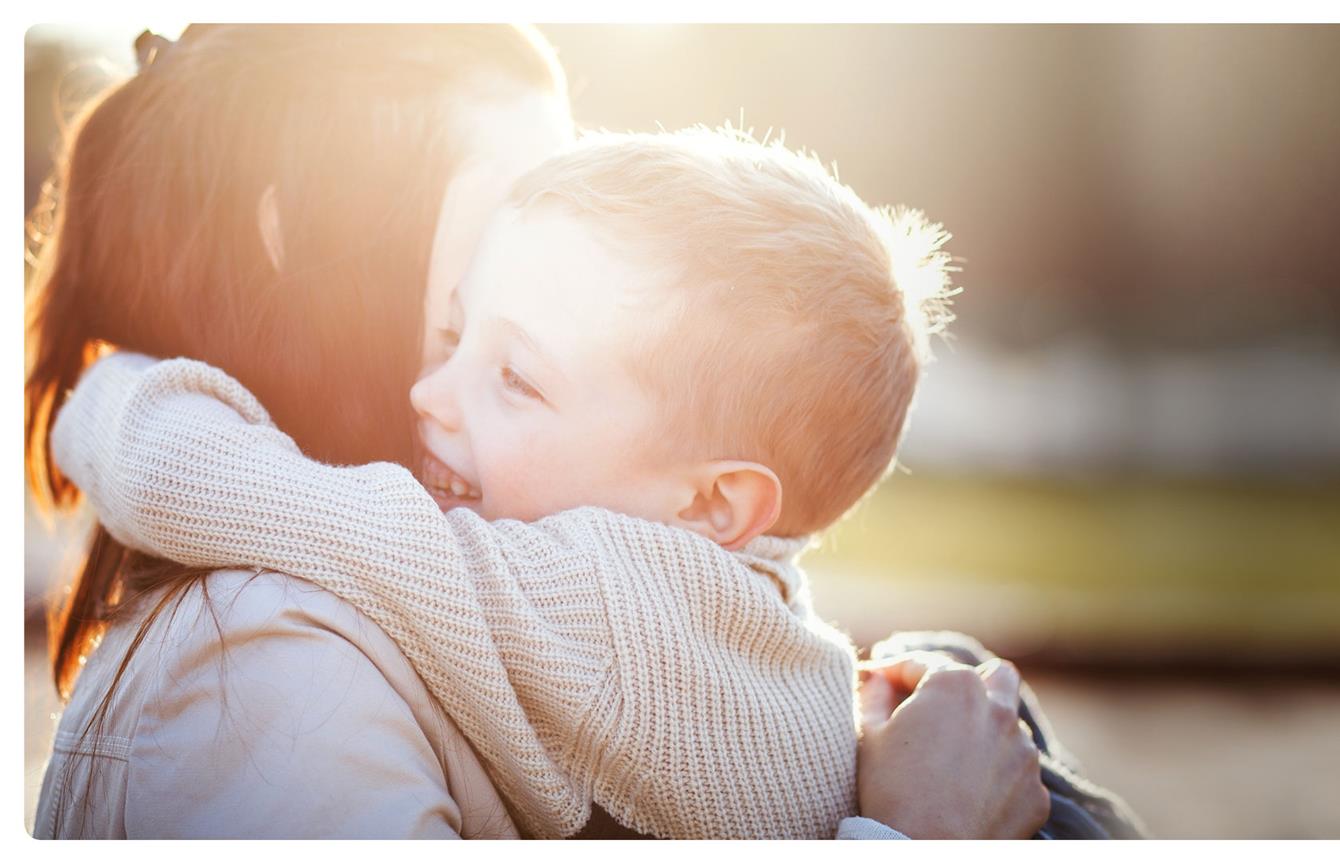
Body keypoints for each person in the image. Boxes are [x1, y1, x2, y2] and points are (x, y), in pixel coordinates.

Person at [25, 25, 1059, 839]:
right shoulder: (266, 668)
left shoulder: (535, 589)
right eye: (514, 194)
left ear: (717, 501)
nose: (549, 229)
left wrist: (111, 392)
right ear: (301, 240)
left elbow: (191, 472)